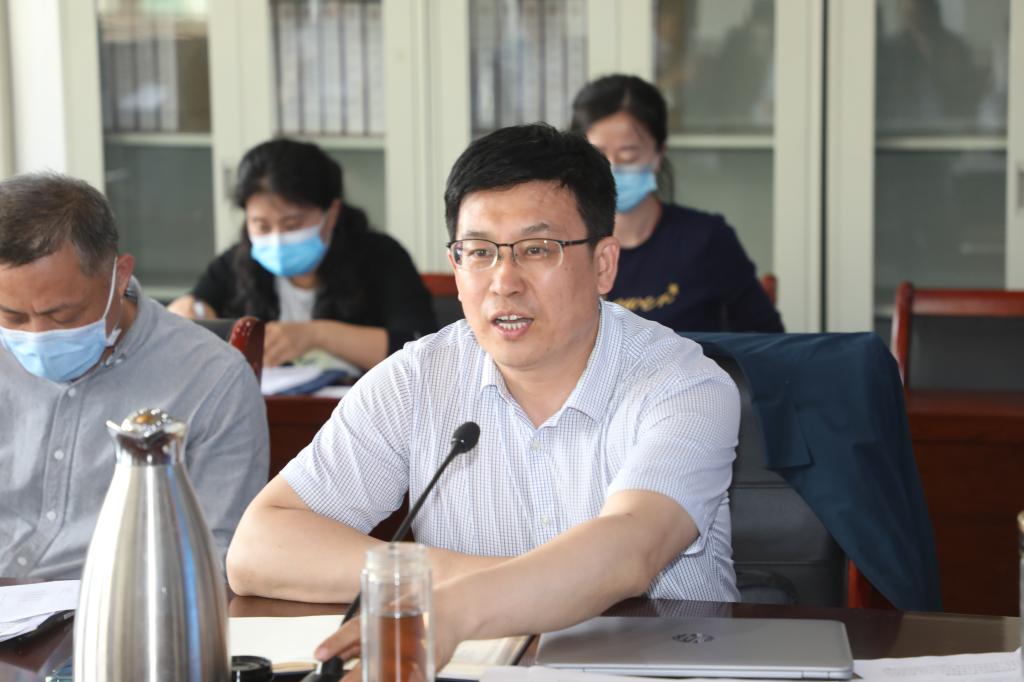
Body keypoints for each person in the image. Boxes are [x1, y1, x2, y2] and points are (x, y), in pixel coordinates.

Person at [226, 124, 741, 668]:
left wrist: (458, 608)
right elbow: (257, 548)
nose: (504, 282)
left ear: (603, 264)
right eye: (479, 252)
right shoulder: (415, 379)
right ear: (456, 266)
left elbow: (628, 553)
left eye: (537, 249)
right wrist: (463, 585)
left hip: (654, 669)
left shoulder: (685, 384)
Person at [0, 172, 268, 578]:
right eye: (12, 316)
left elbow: (217, 554)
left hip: (120, 604)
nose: (37, 335)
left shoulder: (213, 379)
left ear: (119, 276)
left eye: (63, 315)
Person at [168, 138, 437, 372]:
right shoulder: (237, 262)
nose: (276, 239)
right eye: (262, 226)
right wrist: (188, 311)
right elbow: (193, 312)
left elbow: (422, 347)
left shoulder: (382, 257)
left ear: (331, 214)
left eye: (292, 225)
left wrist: (316, 335)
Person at [570, 74, 784, 333]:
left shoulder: (706, 240)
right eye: (598, 156)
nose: (612, 169)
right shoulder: (565, 244)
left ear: (659, 153)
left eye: (628, 155)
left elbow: (767, 340)